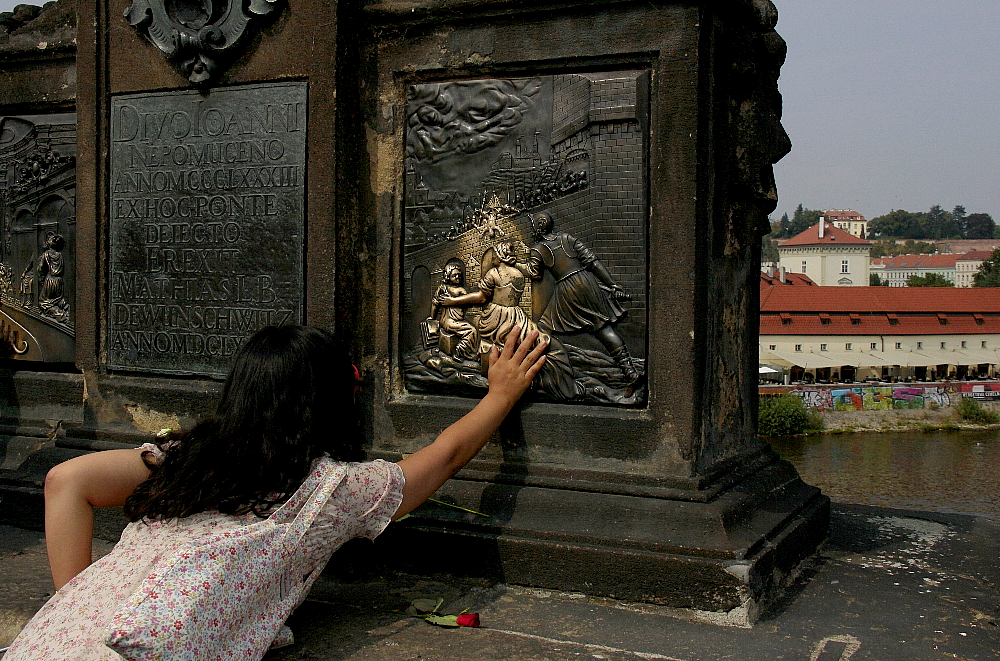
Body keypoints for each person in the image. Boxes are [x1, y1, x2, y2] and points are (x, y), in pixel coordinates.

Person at [5, 324, 547, 660]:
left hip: (46, 643)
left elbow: (65, 480)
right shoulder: (330, 491)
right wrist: (500, 394)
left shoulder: (190, 459)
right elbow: (442, 460)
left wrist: (76, 604)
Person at [439, 242, 579, 401]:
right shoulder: (519, 274)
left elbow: (481, 297)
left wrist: (452, 301)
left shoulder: (494, 273)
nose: (493, 259)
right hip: (516, 315)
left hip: (496, 317)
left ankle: (466, 356)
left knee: (474, 326)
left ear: (499, 256)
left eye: (494, 256)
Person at [523, 211, 638, 384]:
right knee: (603, 328)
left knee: (544, 326)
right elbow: (593, 263)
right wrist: (612, 284)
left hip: (567, 288)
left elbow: (534, 274)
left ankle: (542, 372)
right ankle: (629, 371)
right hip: (588, 282)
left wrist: (517, 263)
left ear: (539, 226)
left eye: (533, 225)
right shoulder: (567, 238)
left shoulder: (538, 249)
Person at [428, 262, 479, 361]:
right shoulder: (460, 290)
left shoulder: (442, 288)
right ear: (447, 276)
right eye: (454, 275)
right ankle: (460, 352)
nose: (458, 277)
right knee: (471, 331)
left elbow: (435, 303)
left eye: (459, 275)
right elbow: (468, 301)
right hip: (452, 322)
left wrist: (432, 318)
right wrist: (432, 318)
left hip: (445, 322)